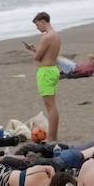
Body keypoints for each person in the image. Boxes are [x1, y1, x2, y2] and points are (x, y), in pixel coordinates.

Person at [26, 11, 61, 143]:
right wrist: (35, 49)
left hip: (46, 71)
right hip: (52, 69)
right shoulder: (56, 35)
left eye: (37, 25)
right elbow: (47, 54)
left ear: (42, 21)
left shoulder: (47, 37)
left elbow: (38, 57)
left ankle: (52, 136)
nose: (37, 28)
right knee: (52, 105)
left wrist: (35, 52)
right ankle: (54, 135)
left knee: (50, 106)